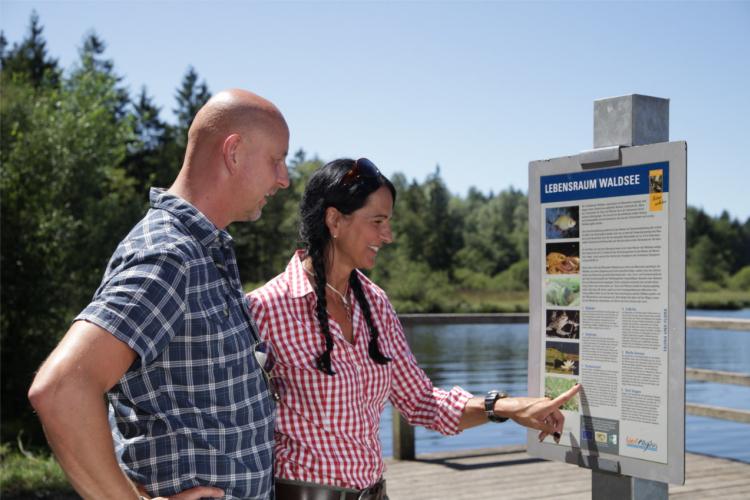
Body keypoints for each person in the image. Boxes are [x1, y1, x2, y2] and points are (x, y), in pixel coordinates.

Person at [248, 158, 581, 500]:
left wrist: (508, 408)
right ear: (334, 219)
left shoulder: (375, 303)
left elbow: (421, 401)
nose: (388, 236)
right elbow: (230, 425)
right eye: (377, 221)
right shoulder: (265, 309)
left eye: (388, 222)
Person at [28, 88, 290, 500]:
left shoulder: (204, 250)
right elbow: (62, 389)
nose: (284, 179)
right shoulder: (169, 255)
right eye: (276, 160)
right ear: (234, 152)